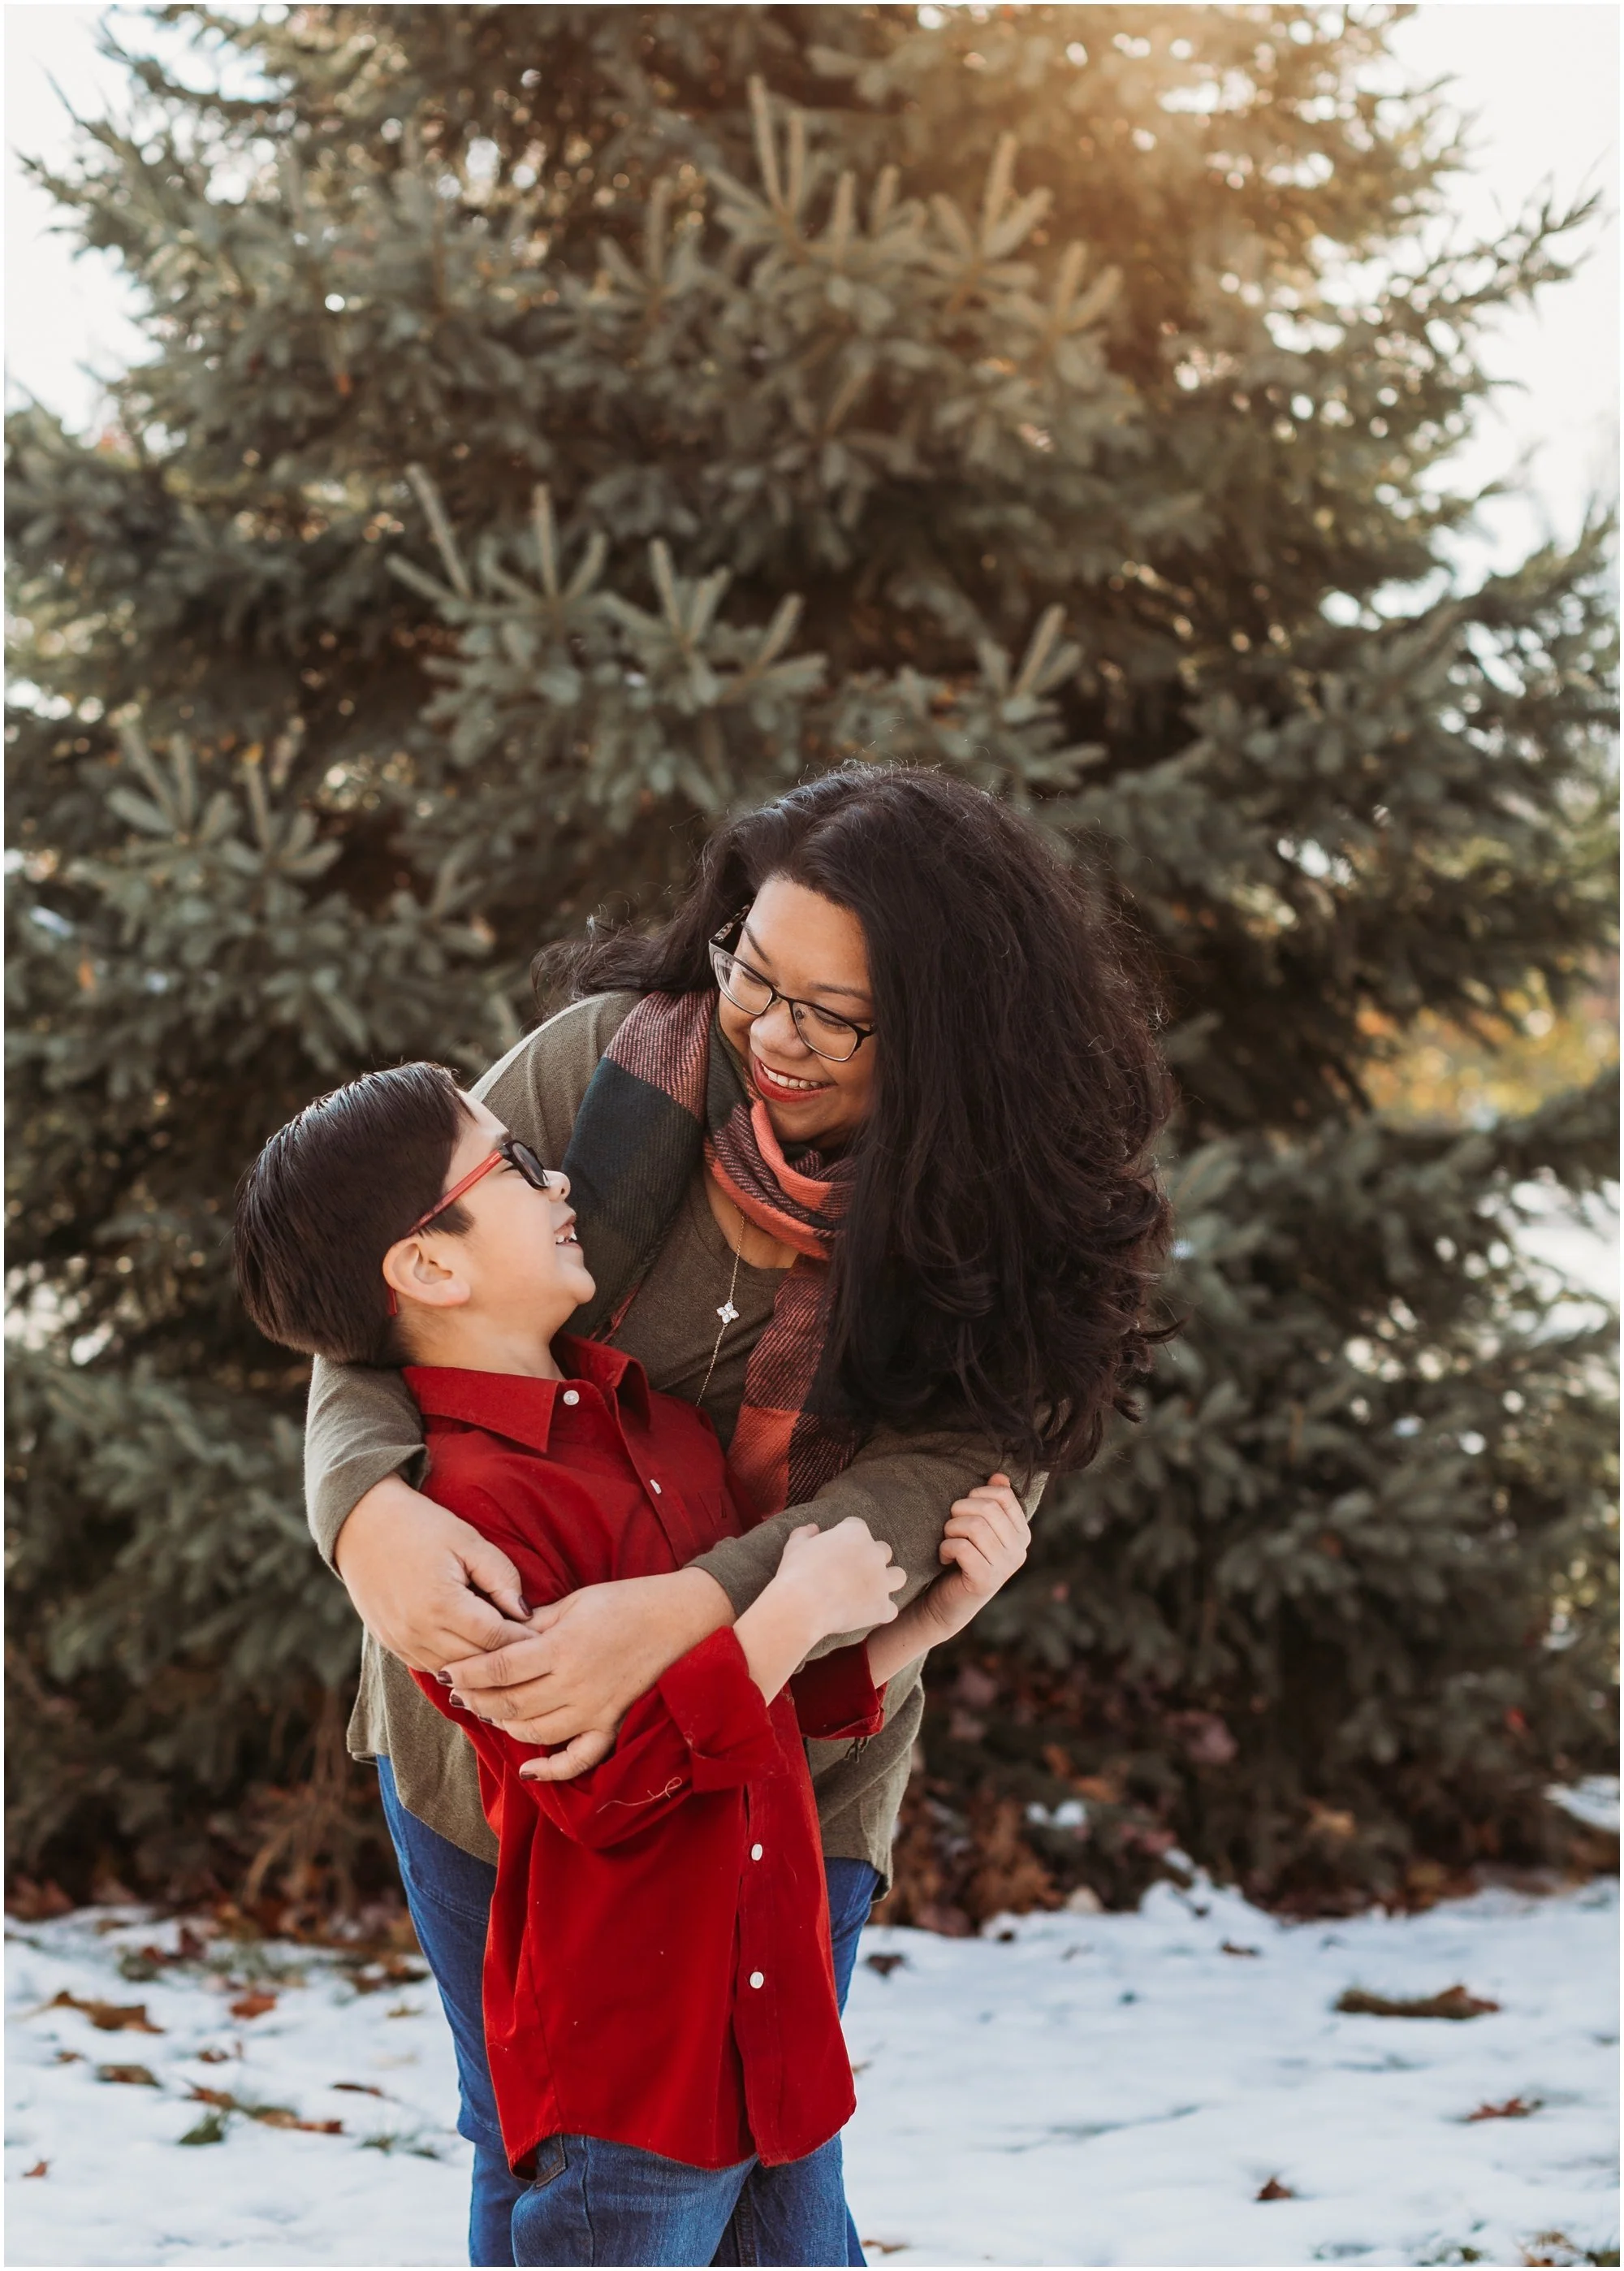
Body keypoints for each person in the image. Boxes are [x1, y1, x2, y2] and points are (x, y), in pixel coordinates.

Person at [302, 765, 1174, 2265]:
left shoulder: (1009, 1204)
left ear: (951, 1032)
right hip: (494, 1745)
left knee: (763, 2160)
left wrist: (703, 1609)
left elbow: (936, 1483)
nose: (771, 1035)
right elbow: (388, 1284)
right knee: (538, 2129)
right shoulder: (601, 1078)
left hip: (792, 1767)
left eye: (835, 1015)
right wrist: (361, 1510)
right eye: (752, 975)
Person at [235, 1064, 1033, 2266]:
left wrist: (918, 1630)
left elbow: (740, 1713)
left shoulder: (646, 1422)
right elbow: (594, 1786)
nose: (559, 1174)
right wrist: (780, 1611)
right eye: (511, 1165)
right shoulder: (471, 1524)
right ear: (433, 1266)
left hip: (767, 2034)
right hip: (630, 2080)